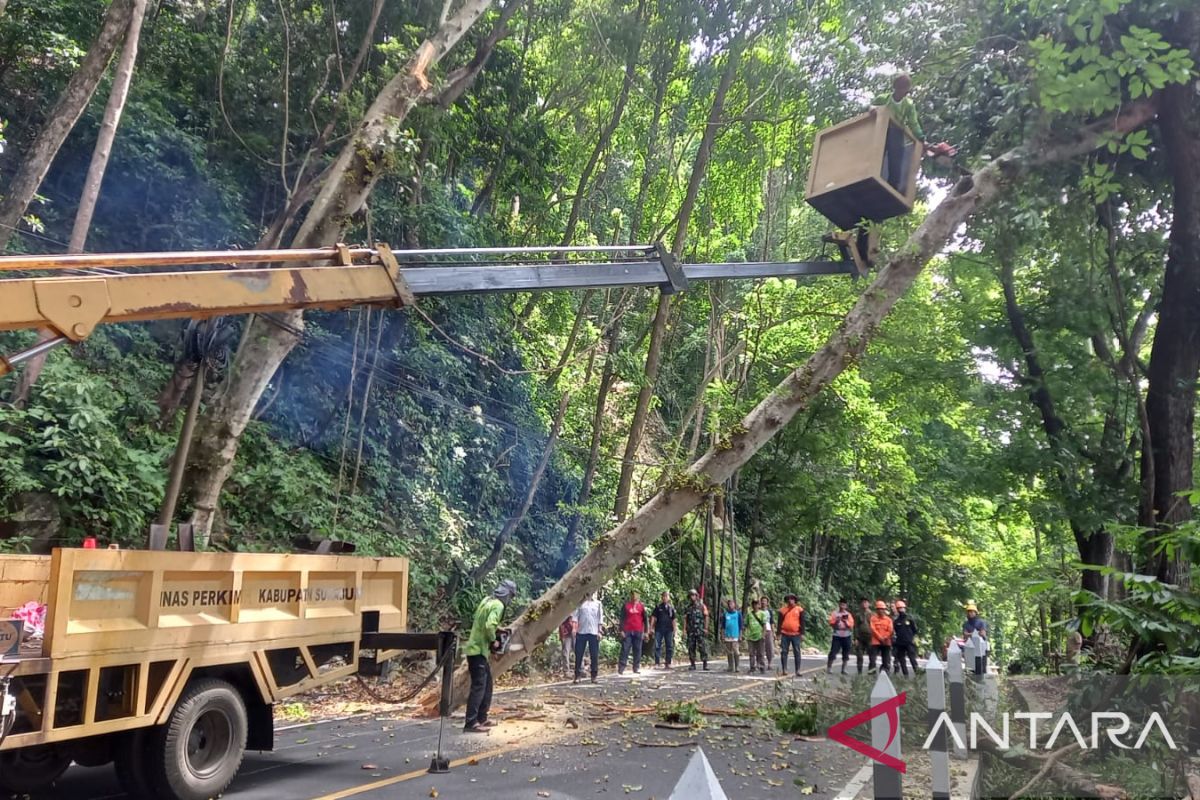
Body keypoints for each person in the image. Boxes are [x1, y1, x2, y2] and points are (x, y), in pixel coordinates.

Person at [464, 579, 516, 733]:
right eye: (511, 596)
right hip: (478, 650)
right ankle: (470, 722)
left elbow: (482, 621)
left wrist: (498, 629)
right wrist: (494, 641)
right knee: (479, 687)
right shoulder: (498, 605)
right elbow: (488, 626)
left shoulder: (487, 600)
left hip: (476, 649)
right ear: (508, 594)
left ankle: (482, 718)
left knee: (487, 685)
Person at [874, 73, 924, 192]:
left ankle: (893, 185)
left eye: (905, 88)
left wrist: (921, 136)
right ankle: (874, 175)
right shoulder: (883, 98)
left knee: (896, 158)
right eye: (901, 88)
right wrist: (872, 109)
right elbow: (871, 107)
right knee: (878, 153)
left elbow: (913, 122)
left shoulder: (908, 104)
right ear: (895, 87)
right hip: (882, 130)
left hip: (896, 132)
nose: (903, 91)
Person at [573, 592, 603, 684]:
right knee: (578, 654)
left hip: (593, 632)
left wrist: (599, 631)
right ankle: (577, 676)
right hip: (581, 632)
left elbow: (600, 618)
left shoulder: (598, 604)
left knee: (594, 655)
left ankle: (594, 676)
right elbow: (575, 617)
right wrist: (574, 629)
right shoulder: (580, 603)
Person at [618, 589, 649, 675]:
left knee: (637, 649)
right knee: (625, 649)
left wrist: (646, 632)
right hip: (627, 631)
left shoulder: (641, 607)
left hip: (638, 630)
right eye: (633, 595)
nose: (634, 597)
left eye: (636, 595)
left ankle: (636, 667)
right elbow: (622, 619)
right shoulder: (626, 606)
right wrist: (621, 630)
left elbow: (645, 620)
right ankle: (621, 667)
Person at [777, 594, 805, 676]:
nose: (790, 600)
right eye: (788, 599)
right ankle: (784, 669)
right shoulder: (782, 610)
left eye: (792, 599)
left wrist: (802, 634)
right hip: (785, 633)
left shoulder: (799, 609)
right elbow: (779, 623)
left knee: (797, 651)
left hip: (796, 634)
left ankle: (798, 670)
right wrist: (778, 634)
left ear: (795, 600)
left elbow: (802, 622)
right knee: (784, 652)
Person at [683, 589, 709, 671]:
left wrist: (706, 628)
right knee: (691, 647)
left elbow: (706, 617)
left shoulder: (702, 606)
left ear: (696, 596)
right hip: (691, 631)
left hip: (700, 630)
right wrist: (684, 630)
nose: (692, 597)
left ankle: (705, 664)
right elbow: (685, 619)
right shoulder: (688, 607)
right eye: (691, 595)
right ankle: (692, 664)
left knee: (702, 647)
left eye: (693, 595)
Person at [892, 600, 919, 676]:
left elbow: (915, 630)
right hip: (900, 644)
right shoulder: (896, 621)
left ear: (905, 608)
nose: (901, 610)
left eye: (902, 608)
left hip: (909, 642)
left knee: (912, 659)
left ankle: (917, 674)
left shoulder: (910, 619)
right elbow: (895, 632)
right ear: (897, 609)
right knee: (902, 660)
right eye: (899, 608)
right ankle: (905, 675)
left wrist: (912, 638)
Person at [827, 598, 854, 674]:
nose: (842, 606)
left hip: (846, 635)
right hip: (837, 635)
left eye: (844, 605)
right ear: (839, 604)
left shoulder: (848, 615)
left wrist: (845, 622)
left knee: (846, 652)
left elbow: (851, 625)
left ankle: (844, 669)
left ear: (846, 606)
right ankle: (829, 668)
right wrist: (837, 620)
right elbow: (831, 623)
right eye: (841, 604)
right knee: (833, 651)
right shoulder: (834, 613)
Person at [651, 591, 677, 669]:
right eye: (663, 596)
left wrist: (675, 630)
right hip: (659, 629)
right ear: (661, 597)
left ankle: (668, 662)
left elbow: (674, 619)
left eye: (666, 596)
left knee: (669, 646)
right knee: (657, 645)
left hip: (669, 629)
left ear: (668, 598)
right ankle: (657, 663)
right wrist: (651, 628)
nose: (664, 597)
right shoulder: (658, 607)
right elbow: (653, 617)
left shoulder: (671, 608)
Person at [868, 600, 894, 674]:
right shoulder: (873, 619)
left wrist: (885, 637)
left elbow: (890, 630)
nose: (881, 610)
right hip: (875, 641)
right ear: (876, 610)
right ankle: (871, 672)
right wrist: (880, 637)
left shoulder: (888, 620)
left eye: (882, 609)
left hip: (886, 642)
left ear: (885, 610)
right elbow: (873, 629)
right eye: (879, 609)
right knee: (872, 658)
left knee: (886, 659)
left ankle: (885, 672)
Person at [745, 598, 768, 673]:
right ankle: (752, 667)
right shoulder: (749, 614)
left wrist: (763, 634)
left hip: (759, 635)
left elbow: (764, 625)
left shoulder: (762, 614)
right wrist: (746, 634)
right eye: (754, 604)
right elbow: (746, 624)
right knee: (751, 653)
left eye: (757, 604)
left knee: (760, 653)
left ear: (759, 605)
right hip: (751, 636)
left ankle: (762, 667)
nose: (755, 606)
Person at [721, 598, 743, 672]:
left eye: (732, 604)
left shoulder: (738, 614)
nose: (730, 605)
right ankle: (730, 666)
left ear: (734, 605)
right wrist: (722, 636)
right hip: (727, 635)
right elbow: (723, 626)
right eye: (729, 604)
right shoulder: (725, 614)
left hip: (735, 636)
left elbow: (740, 626)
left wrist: (740, 635)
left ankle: (737, 666)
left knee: (736, 652)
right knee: (729, 652)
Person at [854, 598, 874, 674]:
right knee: (859, 655)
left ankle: (871, 672)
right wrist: (855, 638)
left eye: (866, 602)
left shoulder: (872, 614)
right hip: (860, 637)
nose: (864, 604)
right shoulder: (858, 614)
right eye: (863, 602)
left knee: (872, 656)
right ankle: (859, 672)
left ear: (869, 604)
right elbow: (856, 627)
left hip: (870, 637)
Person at [760, 594, 775, 669]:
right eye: (762, 601)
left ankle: (769, 663)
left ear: (767, 603)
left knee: (769, 647)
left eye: (765, 601)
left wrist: (773, 632)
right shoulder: (758, 611)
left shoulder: (769, 611)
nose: (763, 602)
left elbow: (772, 622)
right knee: (760, 648)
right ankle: (761, 663)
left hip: (768, 630)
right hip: (759, 631)